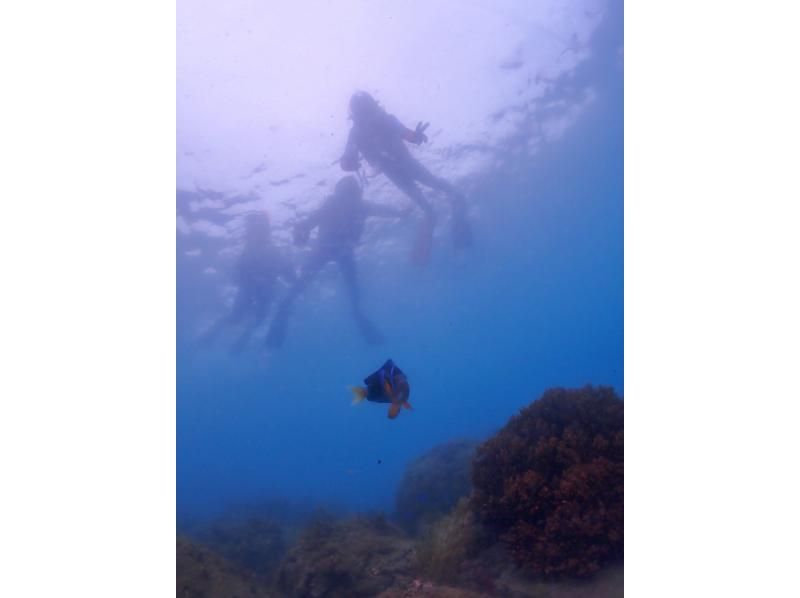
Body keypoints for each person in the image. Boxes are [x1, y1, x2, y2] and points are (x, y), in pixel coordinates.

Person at [265, 176, 406, 348]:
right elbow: (308, 223)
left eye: (351, 194)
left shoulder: (355, 206)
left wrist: (301, 232)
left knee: (314, 284)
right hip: (329, 250)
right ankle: (356, 313)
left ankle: (286, 310)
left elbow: (306, 223)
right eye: (347, 193)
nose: (349, 199)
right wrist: (301, 232)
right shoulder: (342, 206)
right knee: (340, 287)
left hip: (336, 251)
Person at [339, 91, 472, 264]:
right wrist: (349, 162)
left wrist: (416, 137)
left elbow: (405, 134)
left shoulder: (379, 122)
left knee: (431, 198)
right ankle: (448, 219)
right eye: (364, 113)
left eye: (368, 111)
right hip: (400, 168)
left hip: (401, 167)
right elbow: (347, 160)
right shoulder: (359, 132)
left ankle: (444, 217)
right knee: (434, 195)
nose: (368, 119)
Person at [198, 212, 295, 354]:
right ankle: (238, 339)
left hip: (253, 288)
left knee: (238, 317)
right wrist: (290, 275)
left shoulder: (252, 249)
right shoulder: (265, 249)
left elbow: (237, 274)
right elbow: (286, 272)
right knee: (253, 318)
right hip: (260, 289)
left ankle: (221, 336)